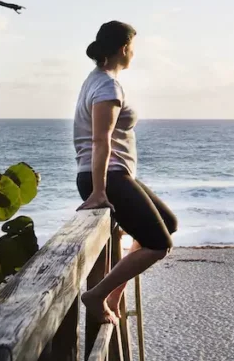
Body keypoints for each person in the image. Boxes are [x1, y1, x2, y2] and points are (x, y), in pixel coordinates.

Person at [74, 21, 177, 323]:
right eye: (133, 46)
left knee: (168, 224)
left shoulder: (96, 79)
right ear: (123, 48)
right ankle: (96, 295)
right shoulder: (107, 85)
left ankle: (113, 296)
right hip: (109, 178)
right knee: (159, 245)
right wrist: (98, 191)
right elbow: (99, 139)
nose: (134, 52)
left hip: (117, 176)